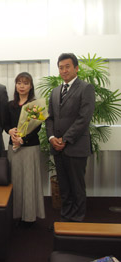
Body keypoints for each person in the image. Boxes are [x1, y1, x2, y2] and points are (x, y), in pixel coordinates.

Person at [46, 53, 95, 222]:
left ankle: (78, 220)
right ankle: (65, 218)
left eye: (67, 66)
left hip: (75, 147)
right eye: (61, 67)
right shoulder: (55, 91)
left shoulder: (86, 88)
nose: (64, 70)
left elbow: (84, 118)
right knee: (64, 187)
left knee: (77, 186)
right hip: (58, 148)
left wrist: (65, 139)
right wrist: (52, 137)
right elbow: (50, 117)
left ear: (76, 68)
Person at [5, 72, 45, 226]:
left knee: (29, 181)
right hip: (13, 146)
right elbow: (5, 124)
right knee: (14, 180)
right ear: (15, 85)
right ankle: (15, 214)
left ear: (31, 86)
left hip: (30, 147)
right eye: (19, 83)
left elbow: (38, 128)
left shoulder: (36, 104)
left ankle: (29, 216)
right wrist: (10, 132)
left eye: (25, 83)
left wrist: (23, 139)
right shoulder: (10, 105)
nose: (22, 86)